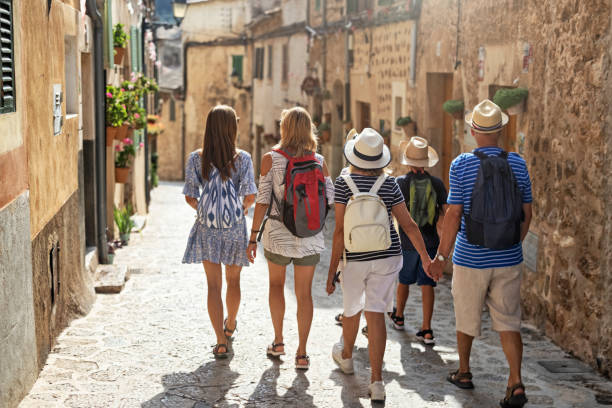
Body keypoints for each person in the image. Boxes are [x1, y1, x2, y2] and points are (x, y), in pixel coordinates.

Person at [429, 99, 533, 408]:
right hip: (509, 257)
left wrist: (441, 257)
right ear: (501, 130)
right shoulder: (518, 163)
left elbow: (453, 215)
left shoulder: (461, 164)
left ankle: (464, 371)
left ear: (474, 131)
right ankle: (515, 382)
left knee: (466, 315)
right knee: (509, 321)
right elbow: (527, 213)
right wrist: (512, 243)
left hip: (470, 256)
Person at [326, 128, 432, 402]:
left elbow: (338, 231)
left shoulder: (342, 183)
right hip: (386, 255)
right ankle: (377, 381)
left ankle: (346, 357)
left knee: (351, 310)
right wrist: (426, 257)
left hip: (354, 258)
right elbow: (407, 225)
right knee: (375, 314)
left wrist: (331, 272)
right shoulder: (389, 184)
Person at [247, 107, 334, 370]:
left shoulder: (270, 158)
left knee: (276, 285)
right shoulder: (319, 161)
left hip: (277, 234)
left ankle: (278, 341)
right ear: (309, 129)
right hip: (309, 235)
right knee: (304, 293)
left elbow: (262, 200)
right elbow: (330, 198)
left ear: (284, 128)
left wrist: (252, 238)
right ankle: (303, 354)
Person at [182, 105, 257, 358]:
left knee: (213, 286)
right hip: (235, 229)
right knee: (233, 281)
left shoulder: (196, 158)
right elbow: (250, 195)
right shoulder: (243, 158)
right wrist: (238, 209)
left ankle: (220, 341)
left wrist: (207, 208)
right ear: (231, 128)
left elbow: (190, 197)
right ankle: (231, 323)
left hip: (207, 230)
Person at [388, 137, 447, 346]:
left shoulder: (400, 183)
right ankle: (427, 328)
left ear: (408, 162)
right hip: (430, 243)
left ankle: (400, 316)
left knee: (403, 281)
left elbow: (395, 215)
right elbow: (444, 216)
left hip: (407, 243)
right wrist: (442, 247)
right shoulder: (437, 184)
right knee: (427, 285)